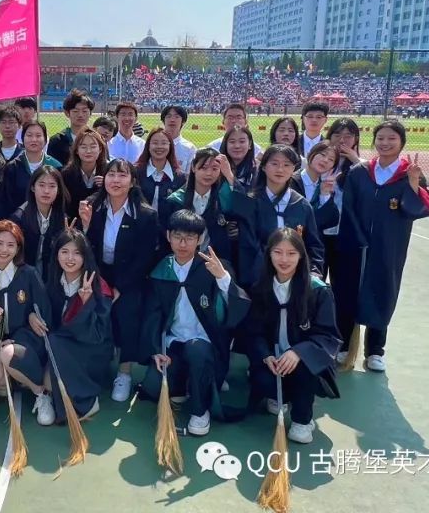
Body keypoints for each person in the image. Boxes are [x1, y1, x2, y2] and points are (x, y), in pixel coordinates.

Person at [139, 210, 250, 436]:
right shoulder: (162, 271)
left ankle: (200, 412)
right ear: (168, 236)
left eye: (190, 238)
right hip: (173, 342)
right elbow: (153, 316)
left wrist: (223, 278)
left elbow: (238, 307)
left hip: (206, 345)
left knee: (196, 349)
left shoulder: (214, 267)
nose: (183, 244)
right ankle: (182, 384)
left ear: (200, 239)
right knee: (156, 382)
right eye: (177, 236)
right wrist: (156, 350)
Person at [337, 120, 429, 372]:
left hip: (390, 245)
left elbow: (419, 209)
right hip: (356, 244)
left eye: (392, 138)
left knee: (382, 291)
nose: (385, 143)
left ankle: (375, 351)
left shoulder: (408, 174)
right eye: (380, 138)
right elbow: (348, 207)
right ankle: (344, 345)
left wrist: (413, 182)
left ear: (402, 142)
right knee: (348, 292)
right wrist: (356, 237)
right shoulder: (360, 172)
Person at [244, 228, 341, 444]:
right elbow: (254, 331)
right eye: (278, 252)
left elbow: (328, 336)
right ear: (269, 255)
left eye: (291, 253)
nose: (284, 260)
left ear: (301, 256)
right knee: (262, 380)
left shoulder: (317, 291)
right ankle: (284, 396)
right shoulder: (261, 288)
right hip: (275, 360)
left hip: (304, 363)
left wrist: (298, 352)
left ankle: (302, 419)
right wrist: (266, 355)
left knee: (305, 367)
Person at [6, 229, 112, 423]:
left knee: (51, 369)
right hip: (57, 347)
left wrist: (85, 303)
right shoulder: (54, 282)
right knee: (15, 350)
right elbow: (43, 314)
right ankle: (41, 394)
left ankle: (84, 401)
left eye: (77, 253)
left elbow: (97, 335)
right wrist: (31, 315)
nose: (70, 258)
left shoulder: (97, 287)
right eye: (64, 251)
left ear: (85, 256)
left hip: (87, 353)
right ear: (56, 255)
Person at [78, 158, 160, 402]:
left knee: (127, 313)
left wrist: (120, 288)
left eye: (122, 175)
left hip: (130, 278)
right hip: (98, 273)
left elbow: (145, 257)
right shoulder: (92, 206)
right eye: (111, 175)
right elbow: (85, 247)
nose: (116, 180)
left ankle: (124, 372)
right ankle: (95, 363)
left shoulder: (145, 214)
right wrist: (85, 226)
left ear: (132, 181)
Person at [225, 144, 325, 287]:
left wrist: (313, 273)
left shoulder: (302, 205)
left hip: (295, 280)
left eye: (286, 165)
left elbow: (314, 245)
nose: (280, 169)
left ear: (294, 169)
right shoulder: (251, 202)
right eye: (274, 163)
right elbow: (248, 245)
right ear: (263, 167)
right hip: (258, 280)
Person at [0, 221, 51, 404]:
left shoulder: (29, 274)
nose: (4, 250)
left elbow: (45, 313)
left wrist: (32, 315)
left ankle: (40, 393)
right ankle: (11, 378)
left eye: (11, 245)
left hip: (26, 342)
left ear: (18, 249)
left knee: (9, 354)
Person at [159, 148, 236, 264]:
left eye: (215, 169)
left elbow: (245, 210)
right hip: (180, 262)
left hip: (217, 262)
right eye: (203, 168)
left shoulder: (223, 199)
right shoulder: (175, 201)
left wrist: (229, 174)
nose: (209, 173)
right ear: (193, 167)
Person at [288, 141, 341, 276]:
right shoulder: (291, 181)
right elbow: (297, 219)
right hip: (289, 247)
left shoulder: (324, 186)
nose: (325, 160)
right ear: (311, 154)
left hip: (313, 253)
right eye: (322, 154)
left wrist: (324, 195)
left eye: (331, 160)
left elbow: (332, 220)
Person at [10, 166, 68, 281]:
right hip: (23, 277)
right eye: (41, 185)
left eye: (52, 186)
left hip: (52, 278)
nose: (46, 191)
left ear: (58, 190)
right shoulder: (19, 218)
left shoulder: (63, 218)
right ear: (33, 187)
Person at [0, 121, 62, 218]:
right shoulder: (12, 167)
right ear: (22, 139)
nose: (34, 139)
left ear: (45, 139)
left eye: (38, 136)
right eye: (29, 135)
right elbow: (6, 201)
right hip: (18, 219)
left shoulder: (56, 167)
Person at [61, 128, 108, 221]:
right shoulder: (66, 174)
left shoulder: (109, 172)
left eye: (93, 146)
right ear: (76, 150)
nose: (88, 151)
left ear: (100, 149)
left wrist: (107, 186)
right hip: (73, 223)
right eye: (83, 147)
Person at [136, 129, 186, 209]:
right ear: (148, 146)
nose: (159, 147)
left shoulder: (179, 177)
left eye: (164, 143)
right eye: (155, 143)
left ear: (170, 146)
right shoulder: (136, 173)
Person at [48, 89, 94, 166]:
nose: (80, 115)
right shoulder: (57, 141)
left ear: (90, 113)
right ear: (67, 113)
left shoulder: (98, 139)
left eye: (84, 111)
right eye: (75, 111)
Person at [160, 105, 197, 175]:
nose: (172, 120)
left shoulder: (189, 148)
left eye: (176, 117)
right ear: (163, 120)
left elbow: (190, 175)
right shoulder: (153, 145)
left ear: (183, 121)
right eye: (168, 116)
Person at [220, 125, 257, 189]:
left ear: (250, 144)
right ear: (225, 144)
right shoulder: (216, 166)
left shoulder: (257, 170)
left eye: (242, 141)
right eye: (232, 142)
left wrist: (229, 175)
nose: (237, 146)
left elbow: (248, 195)